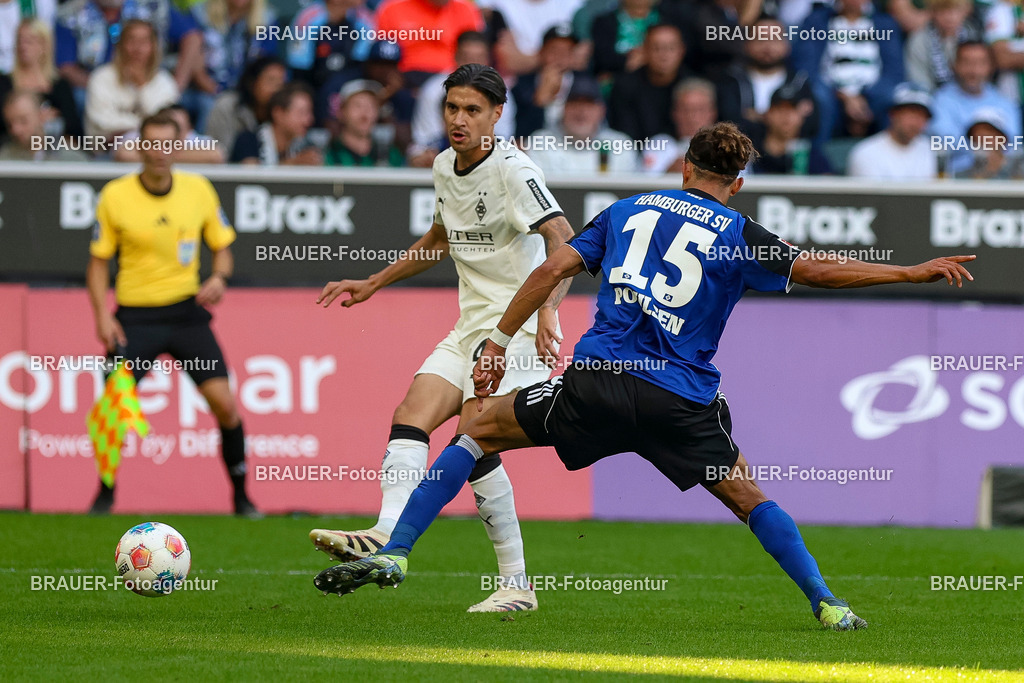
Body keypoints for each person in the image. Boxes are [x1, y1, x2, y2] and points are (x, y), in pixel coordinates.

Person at [313, 121, 977, 631]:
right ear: (739, 182)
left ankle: (398, 550)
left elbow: (551, 268)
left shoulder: (627, 210)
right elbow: (819, 270)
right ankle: (828, 603)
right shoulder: (740, 232)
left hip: (598, 384)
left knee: (477, 428)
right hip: (678, 402)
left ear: (684, 167)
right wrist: (909, 271)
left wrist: (498, 339)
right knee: (748, 496)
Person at [309, 63, 575, 612]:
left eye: (472, 110)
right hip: (469, 328)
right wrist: (375, 281)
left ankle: (516, 584)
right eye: (452, 107)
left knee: (475, 439)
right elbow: (439, 238)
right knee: (411, 412)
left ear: (496, 115)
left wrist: (549, 309)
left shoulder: (514, 171)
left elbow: (564, 240)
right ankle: (384, 531)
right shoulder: (442, 166)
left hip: (515, 331)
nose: (459, 119)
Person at [86, 110, 258, 518]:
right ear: (140, 147)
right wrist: (102, 316)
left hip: (186, 315)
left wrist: (219, 277)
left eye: (168, 144)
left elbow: (222, 248)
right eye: (152, 144)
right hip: (134, 318)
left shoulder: (198, 189)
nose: (160, 152)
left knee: (225, 406)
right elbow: (97, 263)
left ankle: (242, 498)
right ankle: (105, 494)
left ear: (179, 146)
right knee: (113, 407)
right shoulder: (115, 195)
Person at [792, 0, 904, 144]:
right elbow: (806, 66)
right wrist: (844, 96)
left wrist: (863, 97)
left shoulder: (885, 23)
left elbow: (894, 70)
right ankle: (818, 153)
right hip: (831, 92)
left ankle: (888, 152)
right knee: (819, 97)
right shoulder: (817, 20)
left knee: (892, 96)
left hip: (872, 94)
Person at [410, 31, 515, 167]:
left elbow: (502, 141)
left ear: (488, 60)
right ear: (456, 57)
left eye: (479, 58)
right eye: (466, 57)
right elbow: (424, 141)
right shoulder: (433, 90)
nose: (472, 64)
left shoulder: (501, 91)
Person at [931, 41, 1021, 173]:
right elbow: (943, 142)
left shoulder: (1005, 102)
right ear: (953, 65)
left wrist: (979, 144)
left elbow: (1014, 144)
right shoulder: (940, 100)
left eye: (981, 63)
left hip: (1001, 176)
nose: (974, 70)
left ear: (991, 66)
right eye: (967, 62)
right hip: (957, 177)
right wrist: (988, 147)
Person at [83, 19, 179, 139]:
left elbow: (165, 121)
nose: (137, 48)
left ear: (153, 47)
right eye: (132, 40)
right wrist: (143, 125)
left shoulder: (164, 81)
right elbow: (103, 122)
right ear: (121, 45)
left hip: (155, 143)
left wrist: (142, 86)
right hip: (109, 146)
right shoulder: (101, 77)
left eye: (144, 42)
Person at [526, 74, 637, 174]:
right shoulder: (539, 143)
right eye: (575, 103)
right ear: (564, 108)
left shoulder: (621, 146)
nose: (581, 111)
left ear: (601, 111)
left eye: (589, 104)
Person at [0, 19, 82, 142]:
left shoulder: (60, 85)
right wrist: (31, 121)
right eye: (19, 41)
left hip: (52, 147)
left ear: (44, 45)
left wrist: (55, 121)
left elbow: (74, 128)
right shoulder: (4, 83)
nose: (23, 46)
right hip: (11, 147)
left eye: (29, 41)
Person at [607, 23, 691, 142]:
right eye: (656, 48)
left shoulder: (694, 87)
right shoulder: (624, 86)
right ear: (644, 50)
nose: (664, 55)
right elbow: (624, 133)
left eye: (671, 48)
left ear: (682, 51)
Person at [847, 82, 936, 179]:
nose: (915, 123)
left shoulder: (933, 152)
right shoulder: (866, 153)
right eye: (911, 114)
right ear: (893, 114)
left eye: (922, 116)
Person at [204, 55, 286, 152]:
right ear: (252, 83)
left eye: (281, 84)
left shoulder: (282, 115)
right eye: (271, 81)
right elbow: (218, 151)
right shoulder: (228, 106)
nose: (276, 89)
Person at [229, 82, 322, 165]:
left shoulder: (305, 145)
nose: (309, 120)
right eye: (301, 113)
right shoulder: (249, 140)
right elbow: (251, 174)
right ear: (278, 113)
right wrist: (292, 163)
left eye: (309, 113)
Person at [746, 85, 830, 175]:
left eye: (792, 109)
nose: (786, 115)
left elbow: (828, 179)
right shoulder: (749, 152)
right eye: (780, 109)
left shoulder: (812, 157)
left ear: (801, 117)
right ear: (768, 114)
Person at [642, 77, 718, 174]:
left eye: (700, 109)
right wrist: (669, 172)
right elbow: (644, 180)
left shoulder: (727, 148)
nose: (692, 117)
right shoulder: (658, 145)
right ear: (674, 113)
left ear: (712, 113)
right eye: (686, 110)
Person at [903, 0, 980, 92]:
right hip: (931, 94)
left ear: (966, 11)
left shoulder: (973, 35)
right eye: (943, 11)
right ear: (932, 12)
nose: (950, 17)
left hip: (967, 94)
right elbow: (919, 80)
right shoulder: (919, 40)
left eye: (957, 10)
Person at [324, 79, 404, 166]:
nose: (365, 113)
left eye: (372, 106)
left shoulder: (391, 155)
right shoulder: (327, 154)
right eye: (358, 105)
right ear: (341, 112)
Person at [112, 103, 224, 163]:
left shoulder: (197, 140)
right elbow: (125, 154)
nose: (175, 131)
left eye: (179, 127)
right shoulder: (145, 134)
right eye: (169, 125)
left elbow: (216, 155)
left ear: (189, 128)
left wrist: (159, 154)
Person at [0, 90, 88, 160]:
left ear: (42, 115)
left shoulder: (69, 156)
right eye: (9, 124)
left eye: (23, 121)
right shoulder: (5, 158)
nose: (16, 130)